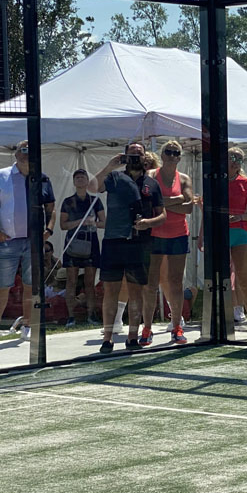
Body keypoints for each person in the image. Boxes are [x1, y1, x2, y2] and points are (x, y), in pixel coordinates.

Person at [93, 143, 166, 353]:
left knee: (136, 292)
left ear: (145, 157)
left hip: (139, 242)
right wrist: (109, 166)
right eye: (131, 154)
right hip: (114, 240)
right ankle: (107, 338)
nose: (135, 157)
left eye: (138, 154)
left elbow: (162, 215)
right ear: (125, 156)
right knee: (111, 291)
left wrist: (148, 223)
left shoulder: (151, 183)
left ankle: (133, 336)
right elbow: (93, 187)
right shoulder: (114, 178)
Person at [0, 140, 56, 344]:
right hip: (8, 240)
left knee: (30, 285)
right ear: (16, 155)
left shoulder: (42, 178)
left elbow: (51, 207)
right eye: (23, 151)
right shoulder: (2, 175)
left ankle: (27, 325)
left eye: (30, 152)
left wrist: (49, 230)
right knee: (2, 285)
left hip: (34, 241)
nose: (26, 155)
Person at [141, 140, 193, 345]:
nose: (172, 156)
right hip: (155, 234)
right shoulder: (151, 176)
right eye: (168, 152)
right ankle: (147, 328)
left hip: (178, 234)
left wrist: (162, 203)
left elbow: (189, 207)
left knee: (175, 283)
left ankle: (177, 326)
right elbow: (150, 204)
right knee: (151, 283)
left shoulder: (185, 178)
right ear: (162, 156)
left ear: (180, 157)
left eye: (176, 153)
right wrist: (176, 200)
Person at [60, 169, 105, 327]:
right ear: (74, 182)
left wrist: (92, 223)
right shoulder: (68, 201)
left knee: (89, 281)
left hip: (91, 242)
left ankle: (91, 315)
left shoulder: (95, 200)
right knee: (71, 281)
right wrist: (81, 221)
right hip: (73, 243)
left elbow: (104, 223)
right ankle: (71, 316)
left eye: (82, 177)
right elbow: (63, 225)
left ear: (87, 181)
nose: (80, 180)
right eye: (77, 177)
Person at [227, 146, 247, 338]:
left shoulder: (246, 183)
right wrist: (202, 234)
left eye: (239, 159)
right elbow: (207, 210)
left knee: (244, 280)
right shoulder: (217, 180)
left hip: (240, 234)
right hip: (220, 235)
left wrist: (237, 218)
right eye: (231, 157)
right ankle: (223, 318)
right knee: (220, 281)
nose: (234, 161)